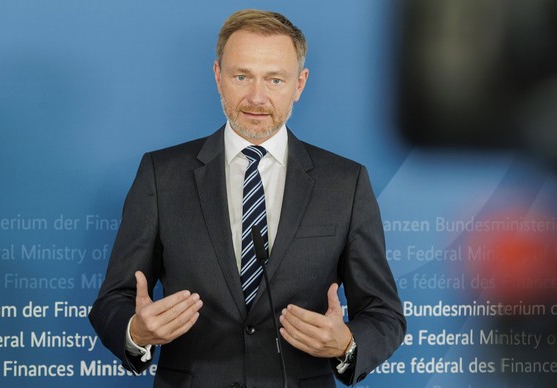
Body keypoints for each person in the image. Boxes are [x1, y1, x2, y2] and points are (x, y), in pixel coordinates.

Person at [89, 9, 405, 387]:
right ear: (218, 77)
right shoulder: (162, 174)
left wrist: (347, 344)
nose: (257, 97)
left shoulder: (345, 183)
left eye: (275, 79)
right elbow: (114, 299)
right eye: (242, 76)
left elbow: (383, 313)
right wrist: (135, 333)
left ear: (299, 85)